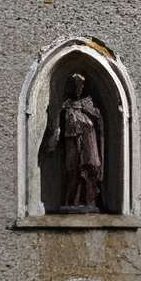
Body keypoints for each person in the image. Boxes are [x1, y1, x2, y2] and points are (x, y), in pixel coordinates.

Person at [56, 72, 105, 209]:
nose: (78, 88)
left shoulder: (89, 101)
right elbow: (59, 122)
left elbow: (98, 118)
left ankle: (89, 200)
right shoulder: (66, 104)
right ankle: (72, 201)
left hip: (89, 137)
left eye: (80, 85)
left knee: (91, 166)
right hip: (72, 139)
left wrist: (86, 110)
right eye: (75, 85)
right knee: (73, 170)